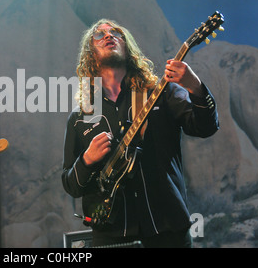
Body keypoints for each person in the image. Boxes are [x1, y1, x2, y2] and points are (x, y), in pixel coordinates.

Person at [62, 19, 219, 248]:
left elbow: (206, 127)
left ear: (127, 47)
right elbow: (71, 185)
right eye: (100, 34)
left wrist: (194, 86)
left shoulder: (162, 92)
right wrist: (86, 160)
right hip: (111, 235)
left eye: (116, 32)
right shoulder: (79, 117)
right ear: (90, 54)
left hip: (167, 229)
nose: (109, 35)